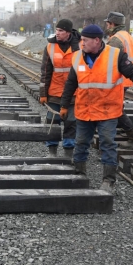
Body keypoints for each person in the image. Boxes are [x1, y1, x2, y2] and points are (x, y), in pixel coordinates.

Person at [59, 24, 133, 193]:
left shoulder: (116, 55)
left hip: (107, 111)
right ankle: (79, 174)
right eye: (81, 40)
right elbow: (71, 83)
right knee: (81, 143)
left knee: (107, 144)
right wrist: (64, 105)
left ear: (96, 40)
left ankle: (108, 181)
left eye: (85, 40)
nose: (82, 43)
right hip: (85, 110)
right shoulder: (77, 57)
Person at [39, 18, 80, 160]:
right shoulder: (50, 47)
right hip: (55, 93)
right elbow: (45, 72)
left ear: (68, 32)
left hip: (74, 94)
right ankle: (52, 152)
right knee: (52, 121)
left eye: (61, 30)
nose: (57, 33)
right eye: (56, 30)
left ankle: (68, 153)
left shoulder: (79, 46)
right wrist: (43, 94)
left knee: (71, 123)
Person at [104, 11, 133, 149]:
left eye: (107, 23)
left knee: (116, 109)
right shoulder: (128, 37)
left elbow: (108, 63)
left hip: (117, 81)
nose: (106, 26)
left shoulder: (116, 40)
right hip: (126, 79)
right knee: (116, 107)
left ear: (112, 24)